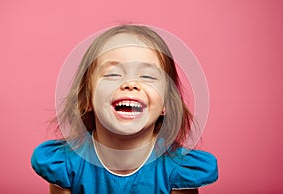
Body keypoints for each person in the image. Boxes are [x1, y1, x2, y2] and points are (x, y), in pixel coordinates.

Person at [31, 24, 218, 194]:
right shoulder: (65, 165)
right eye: (113, 74)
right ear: (86, 99)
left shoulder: (178, 171)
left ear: (166, 104)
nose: (130, 84)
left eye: (147, 76)